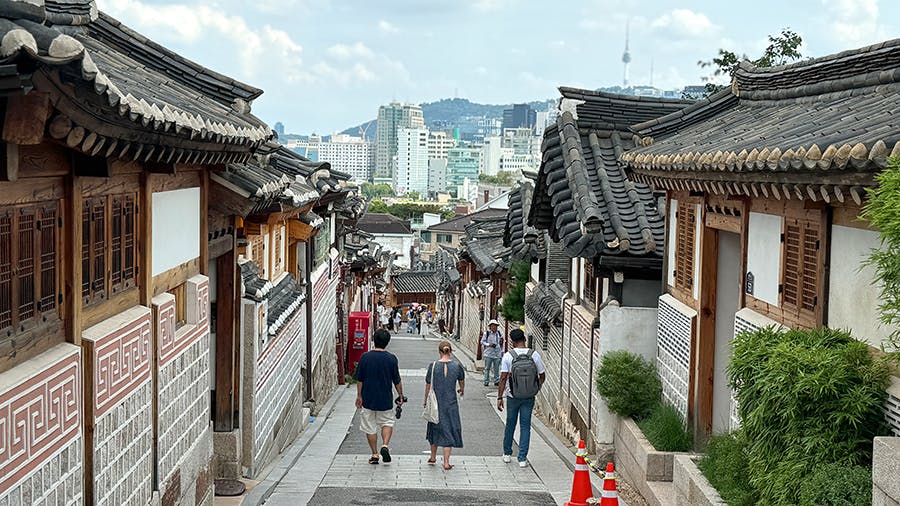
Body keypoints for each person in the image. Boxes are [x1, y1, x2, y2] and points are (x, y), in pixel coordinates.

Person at [497, 328, 545, 468]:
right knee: (525, 426)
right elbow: (542, 375)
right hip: (529, 396)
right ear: (524, 339)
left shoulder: (508, 356)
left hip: (513, 396)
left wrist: (500, 397)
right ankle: (522, 458)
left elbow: (503, 378)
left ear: (512, 341)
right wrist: (535, 387)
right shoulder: (534, 355)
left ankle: (507, 453)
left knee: (510, 424)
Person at [354, 329, 404, 464]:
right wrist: (400, 395)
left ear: (374, 340)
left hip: (368, 398)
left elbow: (360, 379)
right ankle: (385, 445)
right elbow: (397, 380)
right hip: (385, 398)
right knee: (387, 422)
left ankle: (375, 454)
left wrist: (359, 396)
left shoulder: (365, 357)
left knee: (370, 426)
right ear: (387, 342)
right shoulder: (391, 358)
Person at [424, 340, 465, 470]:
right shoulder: (457, 366)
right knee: (449, 429)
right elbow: (461, 381)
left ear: (440, 352)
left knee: (434, 427)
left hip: (436, 402)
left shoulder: (433, 366)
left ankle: (433, 456)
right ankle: (446, 462)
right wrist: (461, 389)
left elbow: (428, 385)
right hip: (451, 402)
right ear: (450, 351)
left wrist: (425, 400)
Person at [481, 319, 504, 387]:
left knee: (496, 368)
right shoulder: (487, 334)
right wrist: (489, 344)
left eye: (496, 326)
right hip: (488, 353)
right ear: (490, 327)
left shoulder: (499, 334)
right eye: (493, 326)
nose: (494, 327)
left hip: (497, 353)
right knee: (487, 368)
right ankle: (486, 381)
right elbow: (482, 342)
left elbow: (502, 343)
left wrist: (502, 351)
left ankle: (496, 381)